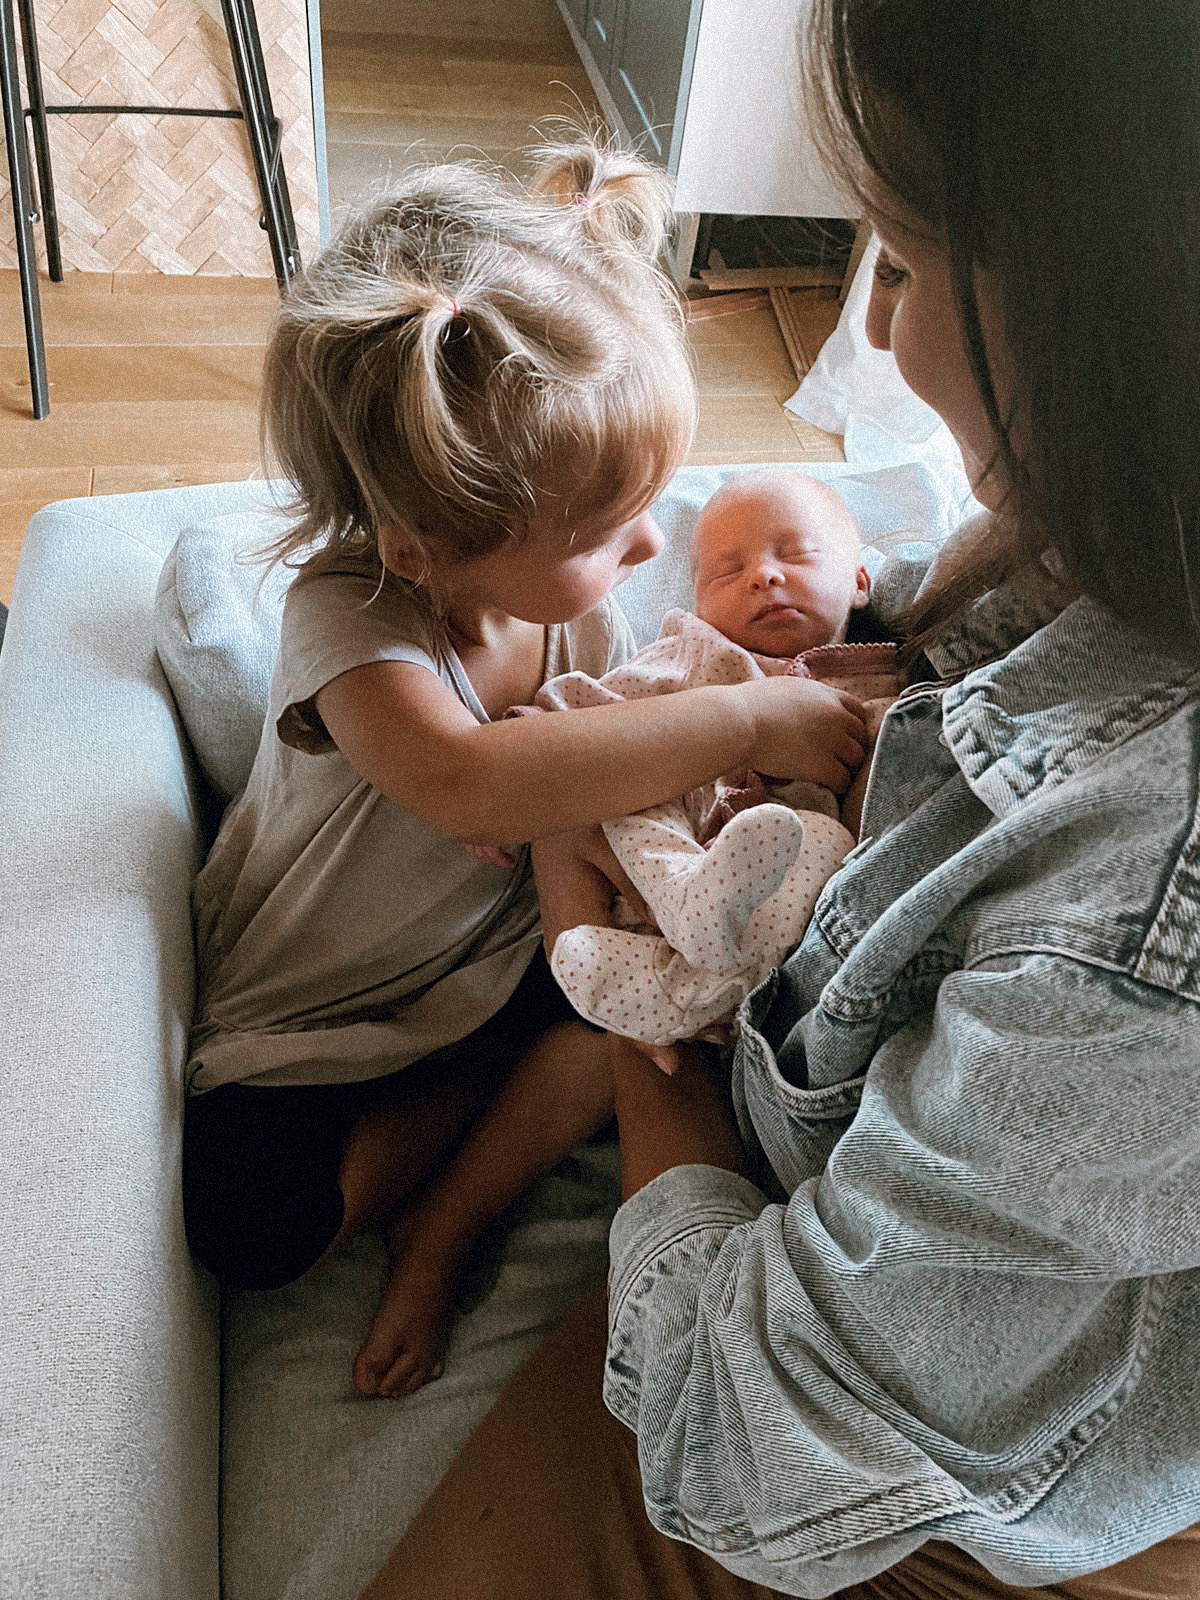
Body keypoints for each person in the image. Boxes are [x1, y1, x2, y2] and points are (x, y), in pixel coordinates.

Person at [368, 1, 1200, 1595]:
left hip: (924, 1464)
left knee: (577, 1054)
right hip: (776, 1106)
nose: (880, 339)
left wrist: (649, 1030)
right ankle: (440, 1220)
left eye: (903, 262)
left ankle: (434, 1216)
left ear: (1106, 299)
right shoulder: (1071, 546)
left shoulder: (1141, 927)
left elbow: (738, 1441)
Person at [179, 137, 868, 1402]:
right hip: (317, 1023)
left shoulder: (573, 618)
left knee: (639, 1029)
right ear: (422, 545)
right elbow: (469, 780)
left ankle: (443, 1232)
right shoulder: (352, 619)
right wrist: (741, 721)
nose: (649, 545)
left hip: (495, 971)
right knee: (252, 1230)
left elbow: (587, 782)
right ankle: (456, 1121)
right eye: (607, 529)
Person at [542, 468, 898, 1049]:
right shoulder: (693, 654)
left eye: (797, 554)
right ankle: (670, 939)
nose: (763, 575)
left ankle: (696, 988)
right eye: (727, 572)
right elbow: (591, 715)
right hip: (658, 888)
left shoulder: (886, 684)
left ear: (860, 582)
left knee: (820, 837)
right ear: (701, 604)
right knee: (617, 789)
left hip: (778, 926)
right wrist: (531, 725)